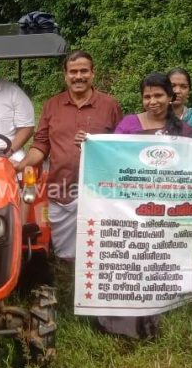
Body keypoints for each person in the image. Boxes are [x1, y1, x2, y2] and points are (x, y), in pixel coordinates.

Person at [89, 72, 185, 339]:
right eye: (147, 96)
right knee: (129, 259)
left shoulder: (187, 133)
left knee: (155, 261)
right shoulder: (129, 124)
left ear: (170, 97)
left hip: (165, 209)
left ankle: (151, 315)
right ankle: (116, 319)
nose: (152, 101)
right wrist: (90, 146)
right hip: (129, 207)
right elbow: (111, 155)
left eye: (158, 95)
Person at [17, 50, 122, 265]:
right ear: (65, 75)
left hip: (98, 191)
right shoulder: (52, 106)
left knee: (98, 249)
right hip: (61, 190)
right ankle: (67, 287)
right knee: (65, 255)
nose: (78, 76)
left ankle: (94, 291)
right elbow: (41, 145)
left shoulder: (110, 105)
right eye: (73, 72)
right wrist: (20, 165)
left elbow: (119, 147)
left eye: (84, 71)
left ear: (93, 73)